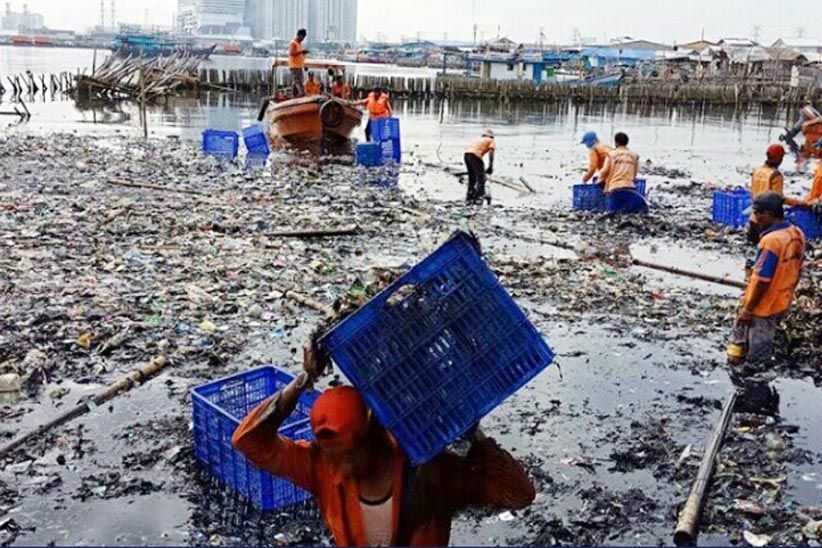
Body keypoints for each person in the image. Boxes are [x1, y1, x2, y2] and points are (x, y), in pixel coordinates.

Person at [232, 341, 536, 547]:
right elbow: (249, 441)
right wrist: (303, 379)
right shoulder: (321, 467)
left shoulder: (431, 470)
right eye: (334, 458)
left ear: (372, 436)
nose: (341, 469)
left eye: (348, 457)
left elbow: (519, 495)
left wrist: (475, 435)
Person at [727, 192, 805, 365]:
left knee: (758, 355)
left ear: (769, 214)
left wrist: (748, 309)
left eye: (758, 214)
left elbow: (762, 280)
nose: (755, 219)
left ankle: (754, 384)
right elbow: (798, 267)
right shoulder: (796, 233)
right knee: (748, 339)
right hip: (783, 299)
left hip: (763, 305)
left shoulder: (771, 241)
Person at [748, 144, 803, 244]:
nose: (782, 160)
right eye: (781, 157)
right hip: (767, 220)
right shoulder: (775, 175)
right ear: (777, 157)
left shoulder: (757, 170)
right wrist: (799, 203)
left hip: (754, 217)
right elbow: (777, 199)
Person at [599, 132, 647, 214]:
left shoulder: (611, 155)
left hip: (615, 189)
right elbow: (634, 174)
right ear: (627, 143)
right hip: (630, 189)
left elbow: (604, 172)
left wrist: (600, 181)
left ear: (616, 143)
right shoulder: (634, 155)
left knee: (613, 216)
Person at [464, 129, 495, 205]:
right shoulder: (491, 140)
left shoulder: (478, 140)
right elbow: (491, 153)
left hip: (466, 155)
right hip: (475, 156)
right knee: (481, 178)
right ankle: (479, 197)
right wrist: (490, 166)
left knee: (472, 177)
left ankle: (470, 195)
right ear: (491, 136)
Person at [288, 29, 309, 96]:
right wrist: (301, 52)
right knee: (298, 81)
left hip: (299, 66)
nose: (303, 39)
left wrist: (302, 54)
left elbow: (298, 55)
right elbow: (291, 53)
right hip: (294, 66)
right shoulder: (293, 43)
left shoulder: (299, 44)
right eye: (302, 37)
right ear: (299, 35)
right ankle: (301, 93)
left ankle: (294, 95)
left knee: (295, 82)